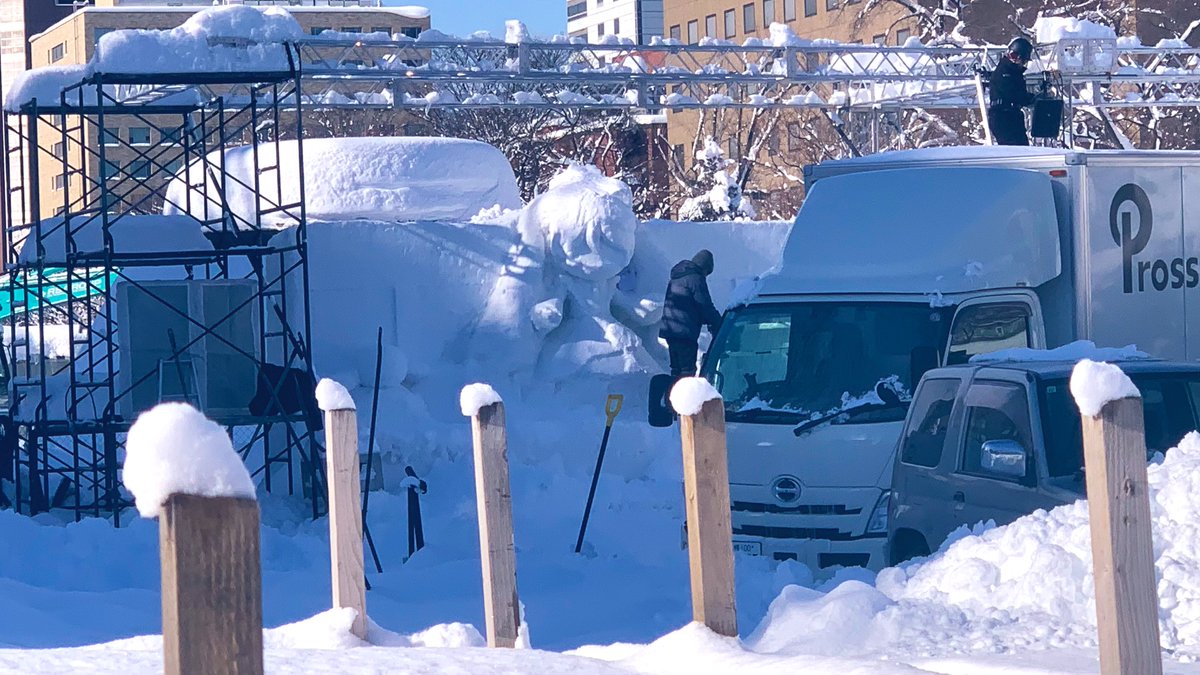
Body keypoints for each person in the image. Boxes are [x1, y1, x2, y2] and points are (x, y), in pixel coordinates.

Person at [660, 249, 722, 382]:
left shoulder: (677, 277)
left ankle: (672, 399)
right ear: (705, 267)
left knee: (676, 370)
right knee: (687, 372)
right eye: (707, 273)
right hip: (684, 332)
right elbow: (704, 305)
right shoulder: (695, 278)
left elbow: (686, 304)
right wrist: (719, 324)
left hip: (670, 329)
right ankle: (685, 401)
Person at [988, 37, 1036, 146]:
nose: (1022, 64)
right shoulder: (1005, 72)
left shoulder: (1012, 72)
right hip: (1003, 116)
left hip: (1011, 115)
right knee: (1015, 149)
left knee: (1021, 148)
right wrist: (1032, 98)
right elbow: (1015, 94)